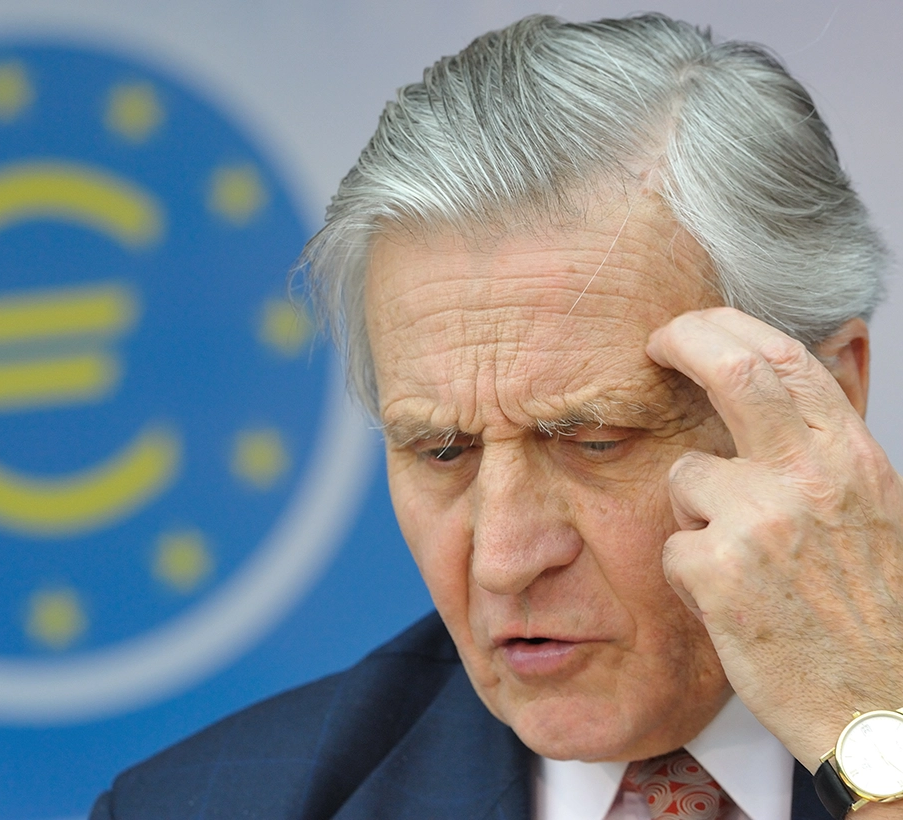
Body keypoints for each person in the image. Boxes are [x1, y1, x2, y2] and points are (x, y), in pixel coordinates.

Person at [92, 13, 903, 820]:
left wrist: (873, 734)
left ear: (826, 394)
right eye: (442, 450)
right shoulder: (207, 804)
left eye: (595, 440)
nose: (504, 560)